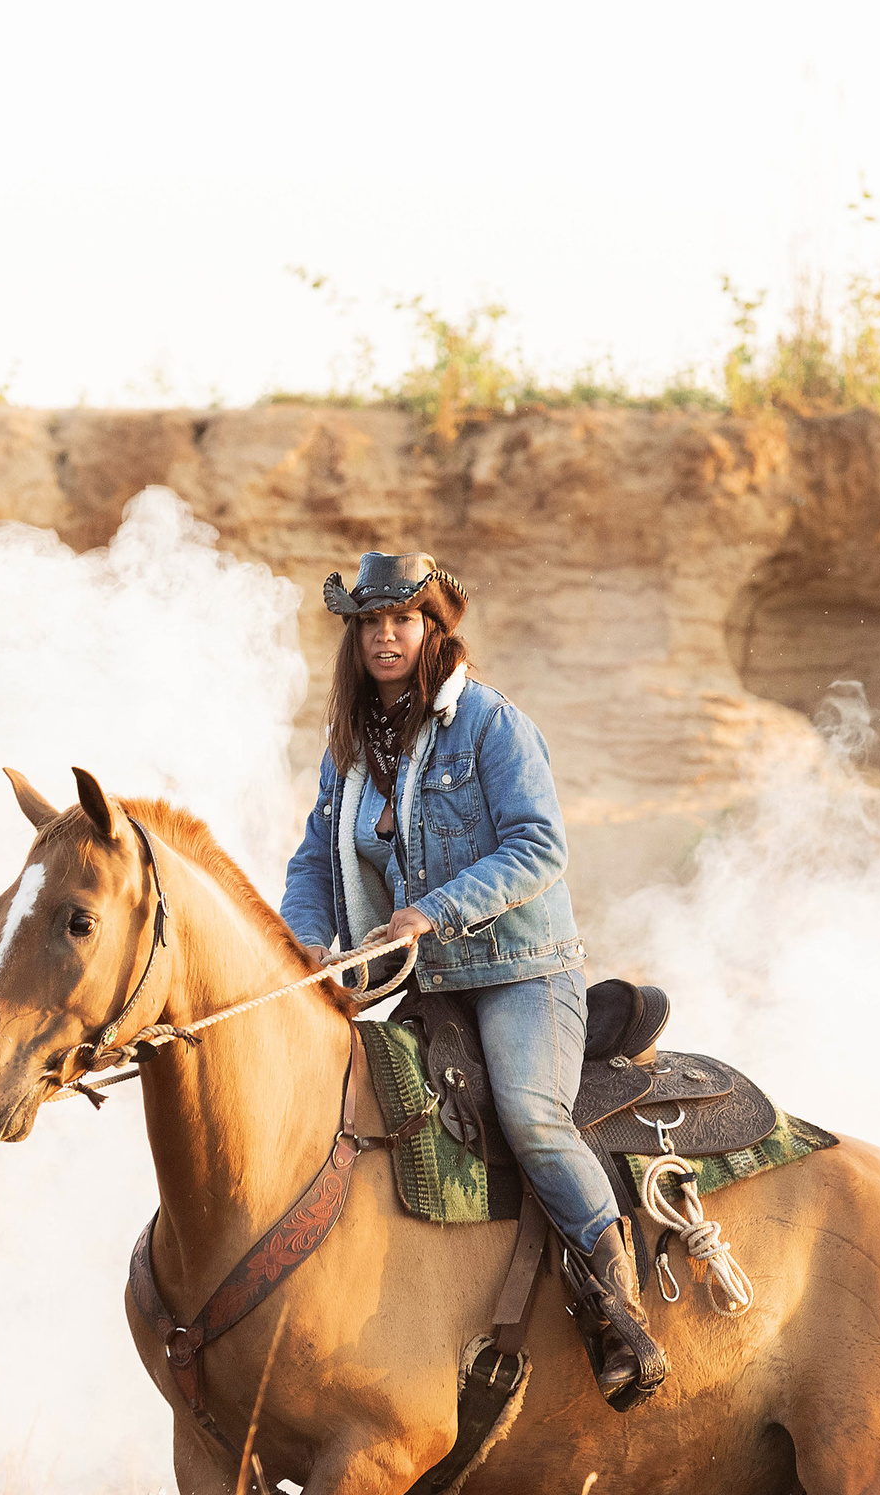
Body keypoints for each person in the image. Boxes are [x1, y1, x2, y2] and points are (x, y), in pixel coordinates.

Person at [279, 551, 667, 1407]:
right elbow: (313, 857)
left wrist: (432, 911)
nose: (386, 635)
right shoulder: (348, 748)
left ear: (431, 629)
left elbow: (540, 845)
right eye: (370, 623)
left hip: (524, 971)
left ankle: (620, 1310)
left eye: (402, 620)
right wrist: (307, 943)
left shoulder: (491, 723)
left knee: (530, 1114)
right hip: (425, 983)